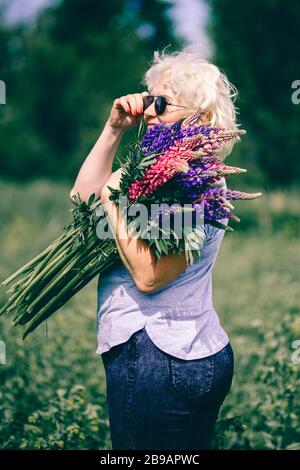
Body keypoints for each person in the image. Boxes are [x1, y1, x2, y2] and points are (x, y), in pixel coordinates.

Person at [70, 45, 239, 450]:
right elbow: (82, 200)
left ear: (199, 118)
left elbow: (149, 276)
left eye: (161, 104)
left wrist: (114, 201)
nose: (148, 111)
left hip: (158, 358)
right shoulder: (157, 167)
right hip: (182, 356)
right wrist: (113, 130)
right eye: (149, 100)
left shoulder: (195, 184)